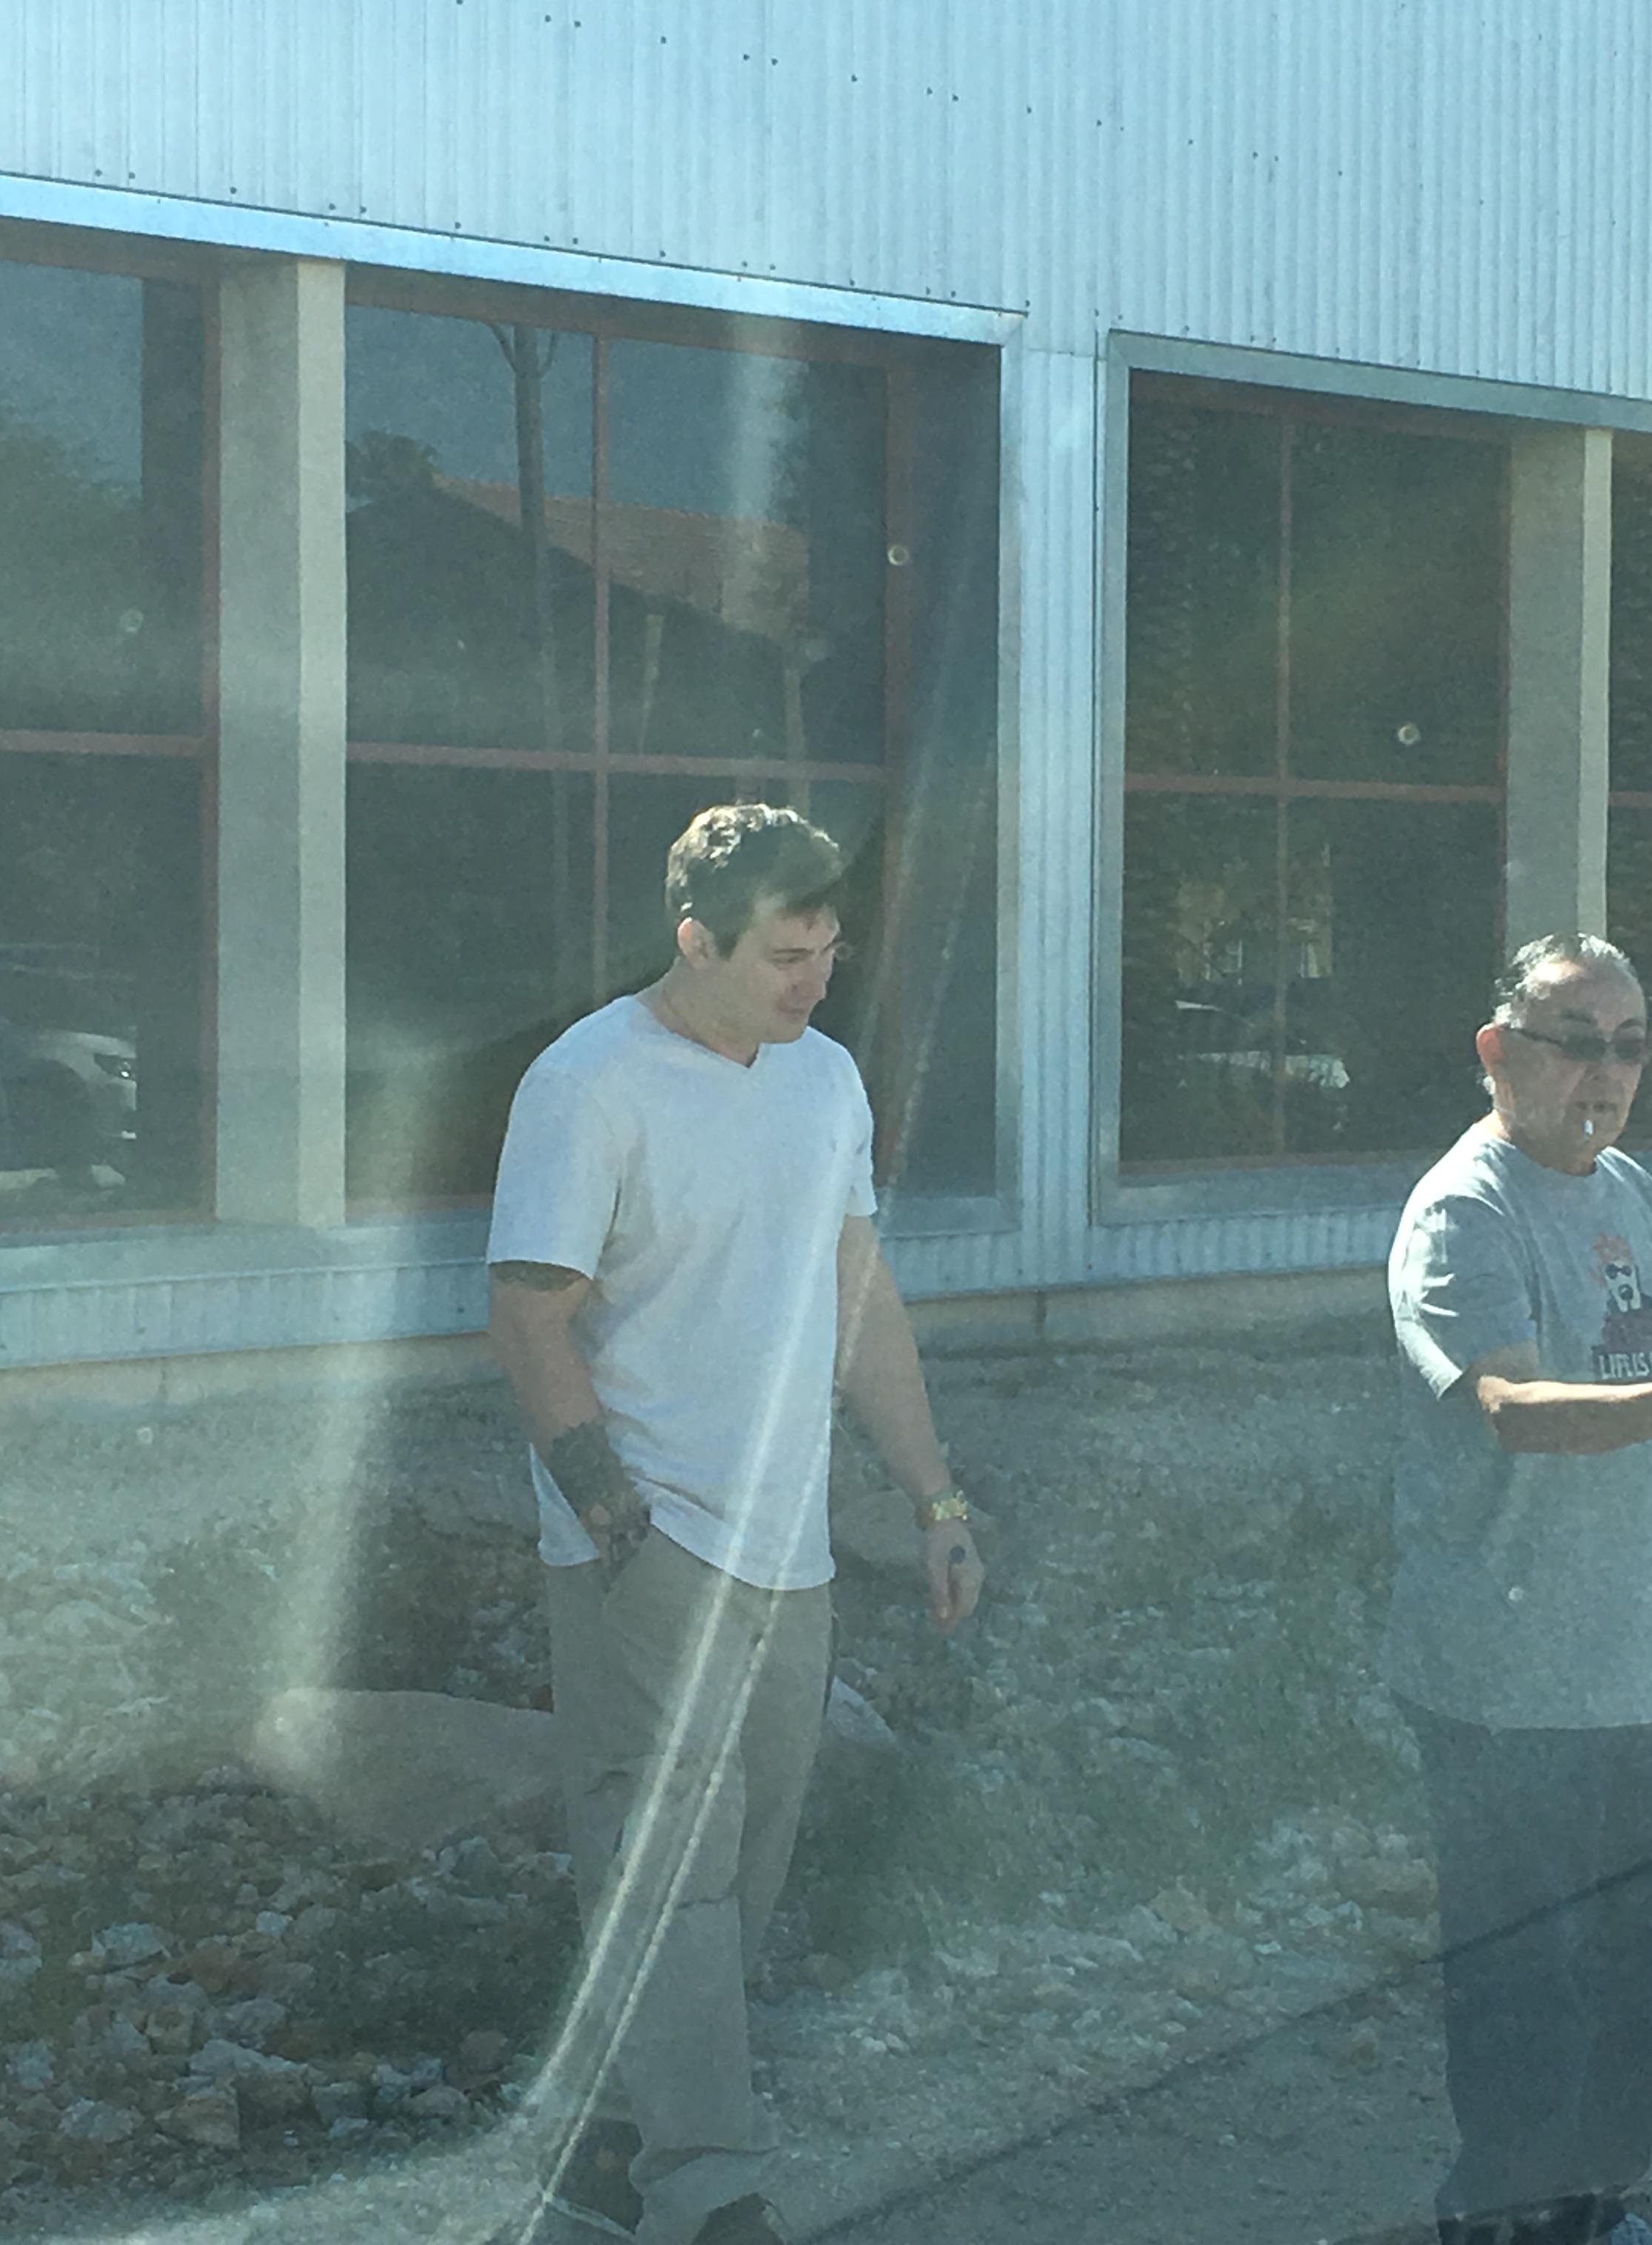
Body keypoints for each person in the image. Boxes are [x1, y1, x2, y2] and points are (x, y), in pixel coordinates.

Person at [482, 803, 985, 2245]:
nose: (813, 983)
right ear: (693, 940)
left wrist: (934, 1498)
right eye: (783, 956)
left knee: (745, 1868)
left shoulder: (824, 1082)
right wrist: (610, 1515)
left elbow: (861, 1298)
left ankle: (616, 2141)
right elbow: (529, 1315)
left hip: (793, 1549)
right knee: (673, 1871)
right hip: (652, 1543)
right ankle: (710, 2197)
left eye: (827, 951)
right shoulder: (588, 1085)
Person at [1385, 932, 1652, 2245]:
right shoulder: (1465, 1211)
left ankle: (1595, 2213)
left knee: (1648, 1975)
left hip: (1643, 1671)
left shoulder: (1634, 1191)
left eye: (1629, 1045)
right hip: (1506, 1685)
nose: (1607, 1073)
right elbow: (1514, 1408)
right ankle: (1501, 2220)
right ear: (1498, 1050)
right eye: (1578, 1040)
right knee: (1526, 1990)